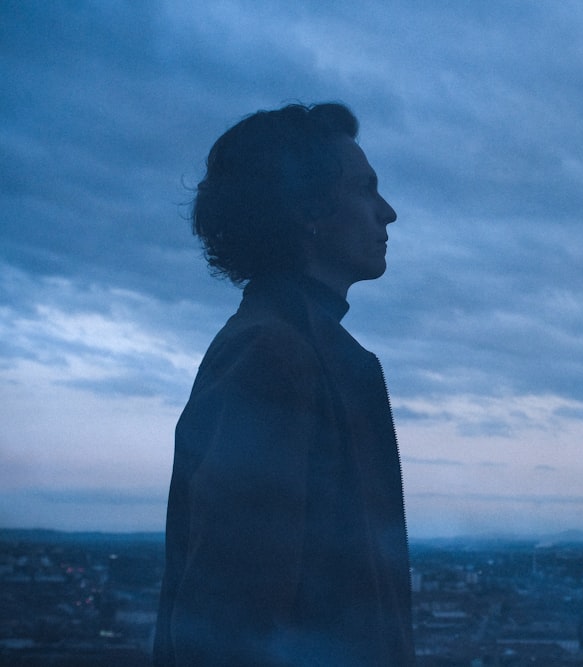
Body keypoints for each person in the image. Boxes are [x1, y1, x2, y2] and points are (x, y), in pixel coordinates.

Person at [154, 103, 415, 666]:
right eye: (366, 190)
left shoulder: (295, 346)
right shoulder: (274, 355)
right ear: (307, 211)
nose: (388, 213)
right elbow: (231, 621)